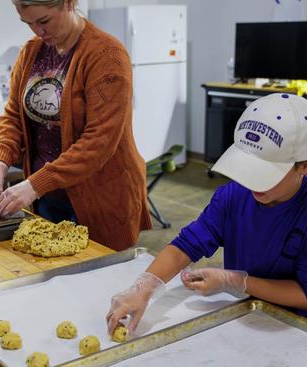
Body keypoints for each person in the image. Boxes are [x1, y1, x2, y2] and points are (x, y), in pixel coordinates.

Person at [107, 93, 307, 335]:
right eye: (249, 168)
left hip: (293, 327)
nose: (254, 184)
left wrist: (235, 281)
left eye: (265, 174)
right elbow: (186, 245)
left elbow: (303, 294)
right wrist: (144, 287)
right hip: (244, 313)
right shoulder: (233, 196)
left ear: (303, 166)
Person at [0, 0, 151, 251]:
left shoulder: (107, 55)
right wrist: (0, 160)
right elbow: (14, 116)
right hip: (46, 196)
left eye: (44, 21)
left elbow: (98, 142)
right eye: (28, 23)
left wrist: (35, 185)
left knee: (99, 280)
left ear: (69, 3)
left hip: (99, 199)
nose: (37, 31)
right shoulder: (31, 53)